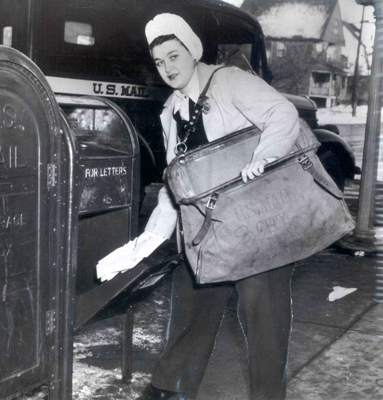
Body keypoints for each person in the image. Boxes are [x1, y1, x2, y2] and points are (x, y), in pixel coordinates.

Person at [136, 13, 300, 400]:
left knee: (264, 319)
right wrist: (153, 234)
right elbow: (176, 178)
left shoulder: (228, 81)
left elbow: (283, 114)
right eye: (160, 62)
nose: (168, 69)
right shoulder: (170, 112)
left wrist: (263, 157)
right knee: (191, 301)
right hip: (211, 228)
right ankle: (170, 388)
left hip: (259, 221)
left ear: (193, 52)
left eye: (174, 57)